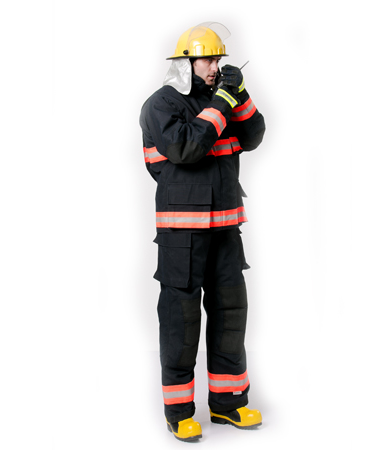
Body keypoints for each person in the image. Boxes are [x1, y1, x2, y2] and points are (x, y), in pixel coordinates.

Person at [139, 22, 266, 442]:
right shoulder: (161, 104)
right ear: (186, 62)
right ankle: (178, 412)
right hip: (182, 236)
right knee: (181, 322)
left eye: (218, 59)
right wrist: (223, 103)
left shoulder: (221, 99)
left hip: (226, 229)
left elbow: (253, 136)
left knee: (231, 316)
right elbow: (186, 148)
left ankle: (228, 404)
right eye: (208, 59)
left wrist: (240, 95)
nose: (215, 66)